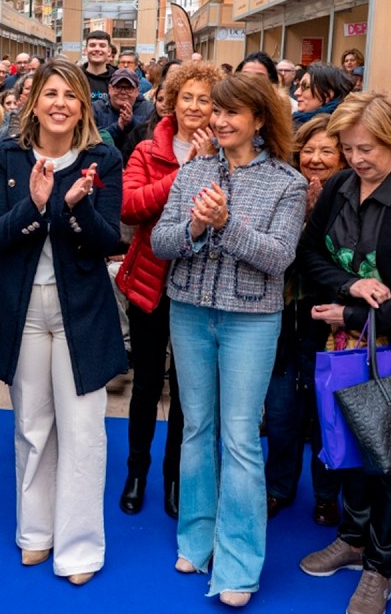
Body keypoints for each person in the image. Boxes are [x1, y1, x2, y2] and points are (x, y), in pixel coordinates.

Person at [150, 72, 306, 608]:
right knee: (196, 428)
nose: (217, 120)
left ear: (259, 120)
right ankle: (195, 538)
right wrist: (195, 229)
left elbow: (279, 257)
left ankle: (238, 561)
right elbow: (160, 241)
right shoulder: (192, 172)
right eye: (215, 111)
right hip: (189, 313)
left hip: (250, 321)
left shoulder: (288, 183)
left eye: (230, 113)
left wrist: (226, 223)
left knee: (240, 438)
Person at [296, 91, 391, 614]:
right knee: (346, 448)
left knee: (390, 463)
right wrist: (350, 286)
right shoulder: (341, 185)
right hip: (345, 345)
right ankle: (353, 537)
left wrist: (355, 315)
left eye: (368, 148)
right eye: (349, 147)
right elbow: (309, 256)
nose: (356, 158)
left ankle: (379, 569)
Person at [0, 59, 126, 586]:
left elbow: (110, 239)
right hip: (21, 309)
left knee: (84, 430)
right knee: (31, 425)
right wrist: (35, 205)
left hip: (81, 312)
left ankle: (80, 547)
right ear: (32, 100)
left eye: (71, 94)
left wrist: (72, 209)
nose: (60, 103)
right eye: (50, 93)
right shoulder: (6, 152)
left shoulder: (102, 158)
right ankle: (35, 534)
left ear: (83, 106)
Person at [112, 62, 223, 522]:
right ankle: (136, 471)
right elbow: (130, 206)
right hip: (150, 280)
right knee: (145, 384)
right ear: (171, 100)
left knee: (187, 389)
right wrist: (184, 171)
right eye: (188, 98)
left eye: (206, 100)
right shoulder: (145, 149)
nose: (195, 108)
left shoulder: (227, 152)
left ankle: (175, 476)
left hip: (200, 285)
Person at [262, 114, 345, 528]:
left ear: (342, 157)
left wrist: (315, 223)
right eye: (308, 150)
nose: (315, 159)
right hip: (281, 321)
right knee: (279, 413)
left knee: (325, 414)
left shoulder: (351, 200)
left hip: (329, 325)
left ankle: (327, 496)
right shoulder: (285, 191)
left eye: (326, 151)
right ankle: (278, 487)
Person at [93, 68, 154, 151]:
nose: (123, 92)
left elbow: (151, 141)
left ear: (137, 91)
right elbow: (90, 139)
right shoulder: (96, 108)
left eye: (128, 88)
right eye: (118, 87)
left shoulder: (148, 110)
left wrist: (132, 123)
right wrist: (117, 128)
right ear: (110, 89)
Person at [293, 64, 354, 131]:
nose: (296, 93)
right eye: (298, 86)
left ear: (327, 95)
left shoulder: (334, 130)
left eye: (305, 86)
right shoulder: (297, 121)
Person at [81, 31, 115, 101]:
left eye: (102, 46)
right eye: (92, 45)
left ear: (109, 51)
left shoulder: (117, 78)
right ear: (85, 50)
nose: (97, 49)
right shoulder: (75, 76)